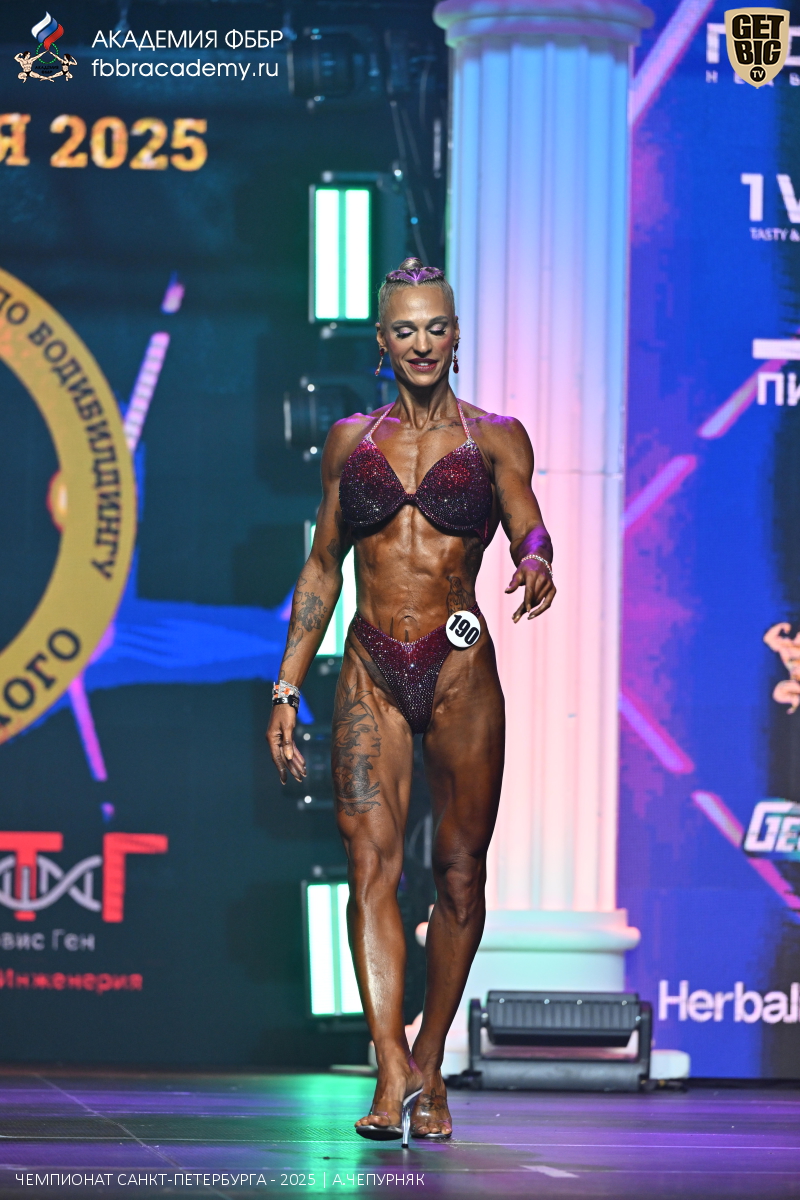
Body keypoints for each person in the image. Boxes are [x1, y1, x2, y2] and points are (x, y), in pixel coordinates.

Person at [267, 257, 555, 1143]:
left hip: (460, 669)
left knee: (460, 873)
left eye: (435, 327)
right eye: (405, 329)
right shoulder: (350, 442)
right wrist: (286, 686)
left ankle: (430, 1062)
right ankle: (390, 1067)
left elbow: (527, 520)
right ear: (383, 341)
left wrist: (536, 560)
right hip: (371, 670)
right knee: (369, 866)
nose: (422, 342)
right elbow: (323, 566)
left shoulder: (496, 436)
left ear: (456, 336)